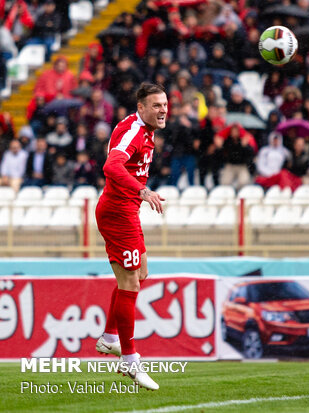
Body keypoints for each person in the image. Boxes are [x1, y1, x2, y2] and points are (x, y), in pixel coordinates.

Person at [94, 83, 167, 391]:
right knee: (130, 283)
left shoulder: (145, 130)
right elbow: (111, 165)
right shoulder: (134, 132)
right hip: (117, 212)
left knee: (141, 273)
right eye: (155, 105)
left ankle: (110, 337)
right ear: (141, 108)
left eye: (164, 104)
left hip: (128, 211)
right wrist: (142, 190)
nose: (162, 110)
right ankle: (130, 360)